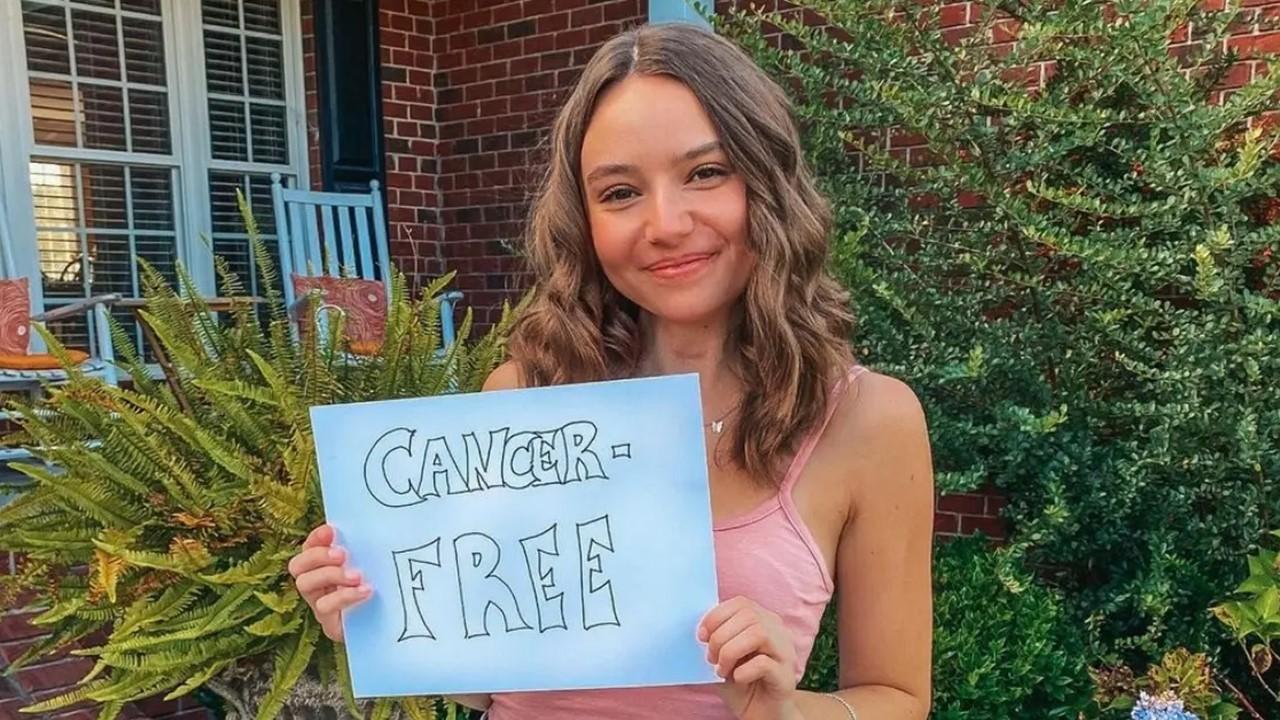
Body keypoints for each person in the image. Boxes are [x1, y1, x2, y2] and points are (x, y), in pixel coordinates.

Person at [287, 22, 934, 720]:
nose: (665, 223)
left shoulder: (868, 421)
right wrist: (375, 621)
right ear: (585, 222)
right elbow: (487, 686)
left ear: (769, 184)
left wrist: (785, 710)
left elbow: (898, 698)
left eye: (706, 173)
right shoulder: (524, 398)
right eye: (620, 192)